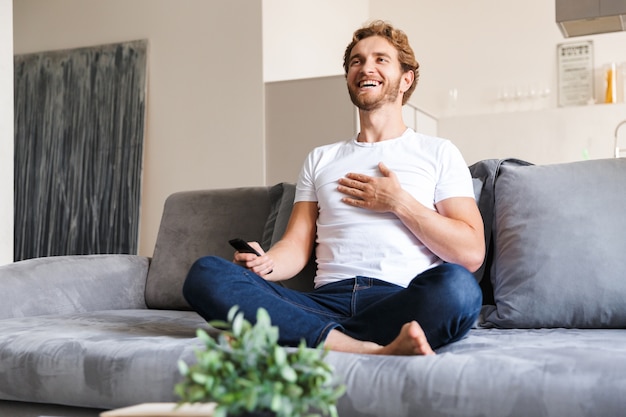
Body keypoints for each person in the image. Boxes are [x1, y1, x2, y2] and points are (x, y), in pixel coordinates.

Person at [183, 20, 485, 356]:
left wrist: (399, 202)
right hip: (324, 302)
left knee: (459, 289)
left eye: (380, 59)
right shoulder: (321, 158)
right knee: (206, 273)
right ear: (348, 78)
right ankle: (360, 346)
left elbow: (471, 253)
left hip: (398, 302)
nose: (365, 67)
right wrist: (266, 264)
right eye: (356, 61)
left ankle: (310, 337)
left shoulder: (438, 152)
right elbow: (296, 247)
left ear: (406, 79)